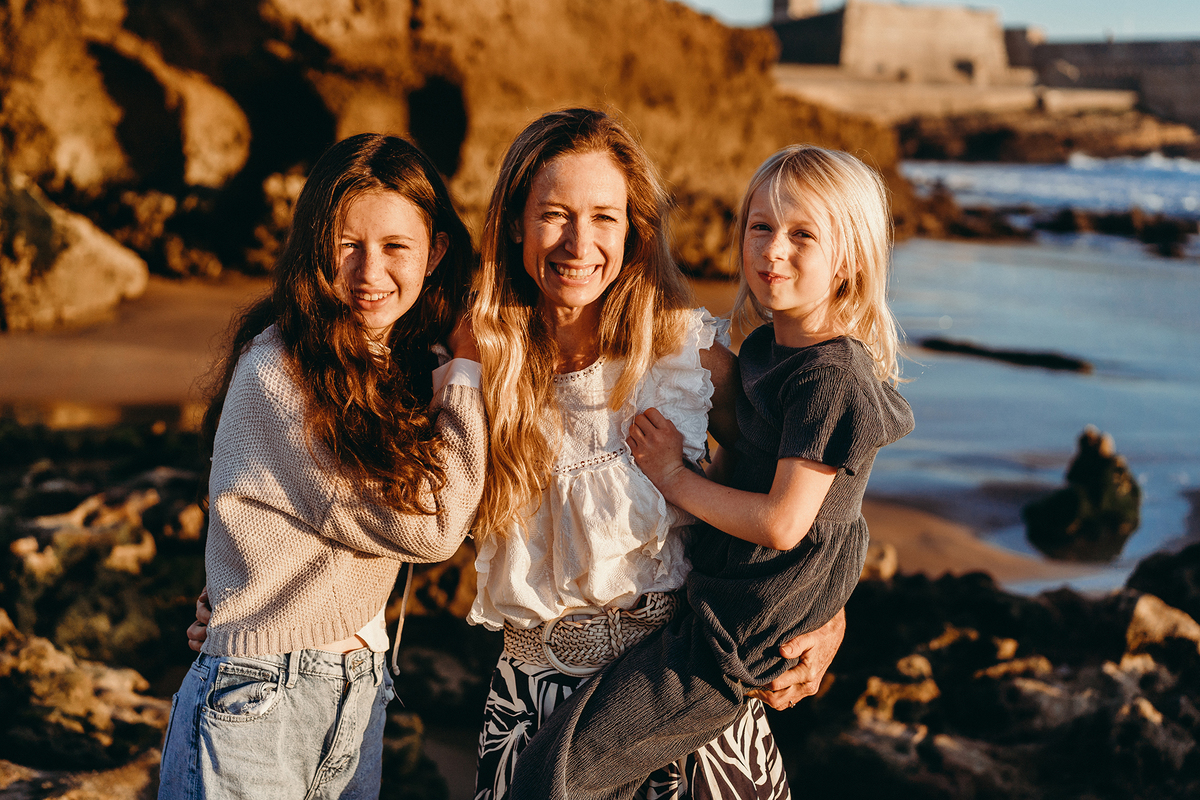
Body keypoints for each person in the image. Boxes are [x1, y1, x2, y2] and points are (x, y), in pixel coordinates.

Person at [506, 144, 915, 799]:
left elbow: (795, 519)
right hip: (693, 621)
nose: (774, 250)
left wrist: (674, 479)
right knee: (549, 770)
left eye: (801, 233)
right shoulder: (760, 353)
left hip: (725, 633)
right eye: (761, 228)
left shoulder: (801, 369)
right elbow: (770, 477)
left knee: (552, 778)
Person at [158, 133, 486, 800]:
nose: (370, 272)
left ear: (436, 251)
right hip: (260, 701)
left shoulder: (396, 365)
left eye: (395, 247)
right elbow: (431, 528)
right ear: (316, 248)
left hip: (354, 694)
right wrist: (471, 371)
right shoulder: (283, 373)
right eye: (348, 245)